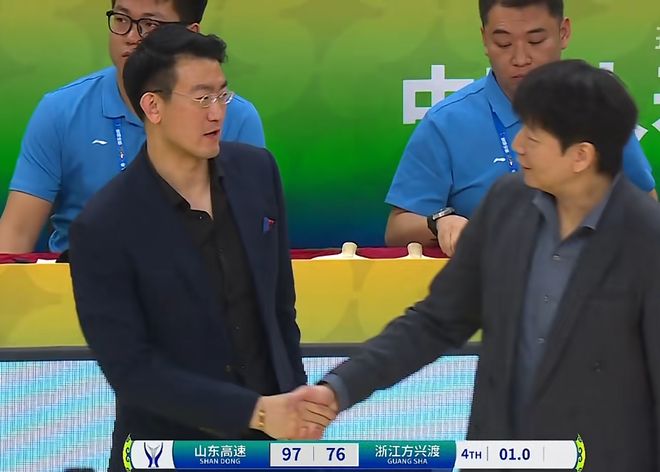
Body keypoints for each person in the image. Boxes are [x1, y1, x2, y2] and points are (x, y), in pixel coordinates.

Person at [310, 60, 660, 470]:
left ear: (581, 155)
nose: (518, 145)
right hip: (497, 454)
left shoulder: (646, 241)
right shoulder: (505, 206)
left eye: (534, 135)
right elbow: (436, 322)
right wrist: (339, 388)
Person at [68, 25, 331, 471]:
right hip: (169, 451)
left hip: (272, 444)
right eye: (202, 98)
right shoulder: (103, 226)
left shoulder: (257, 172)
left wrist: (294, 406)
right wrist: (256, 411)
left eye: (222, 95)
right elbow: (133, 371)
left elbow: (279, 307)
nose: (217, 113)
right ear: (153, 106)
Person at [384, 0, 656, 256]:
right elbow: (397, 229)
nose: (521, 58)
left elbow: (646, 210)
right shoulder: (446, 122)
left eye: (536, 41)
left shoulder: (599, 110)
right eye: (503, 43)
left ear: (563, 33)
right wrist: (441, 222)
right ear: (485, 39)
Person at [0, 0, 265, 254]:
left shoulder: (232, 118)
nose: (130, 36)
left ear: (190, 35)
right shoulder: (60, 111)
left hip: (195, 279)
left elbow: (252, 244)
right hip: (79, 277)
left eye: (150, 25)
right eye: (121, 19)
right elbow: (15, 234)